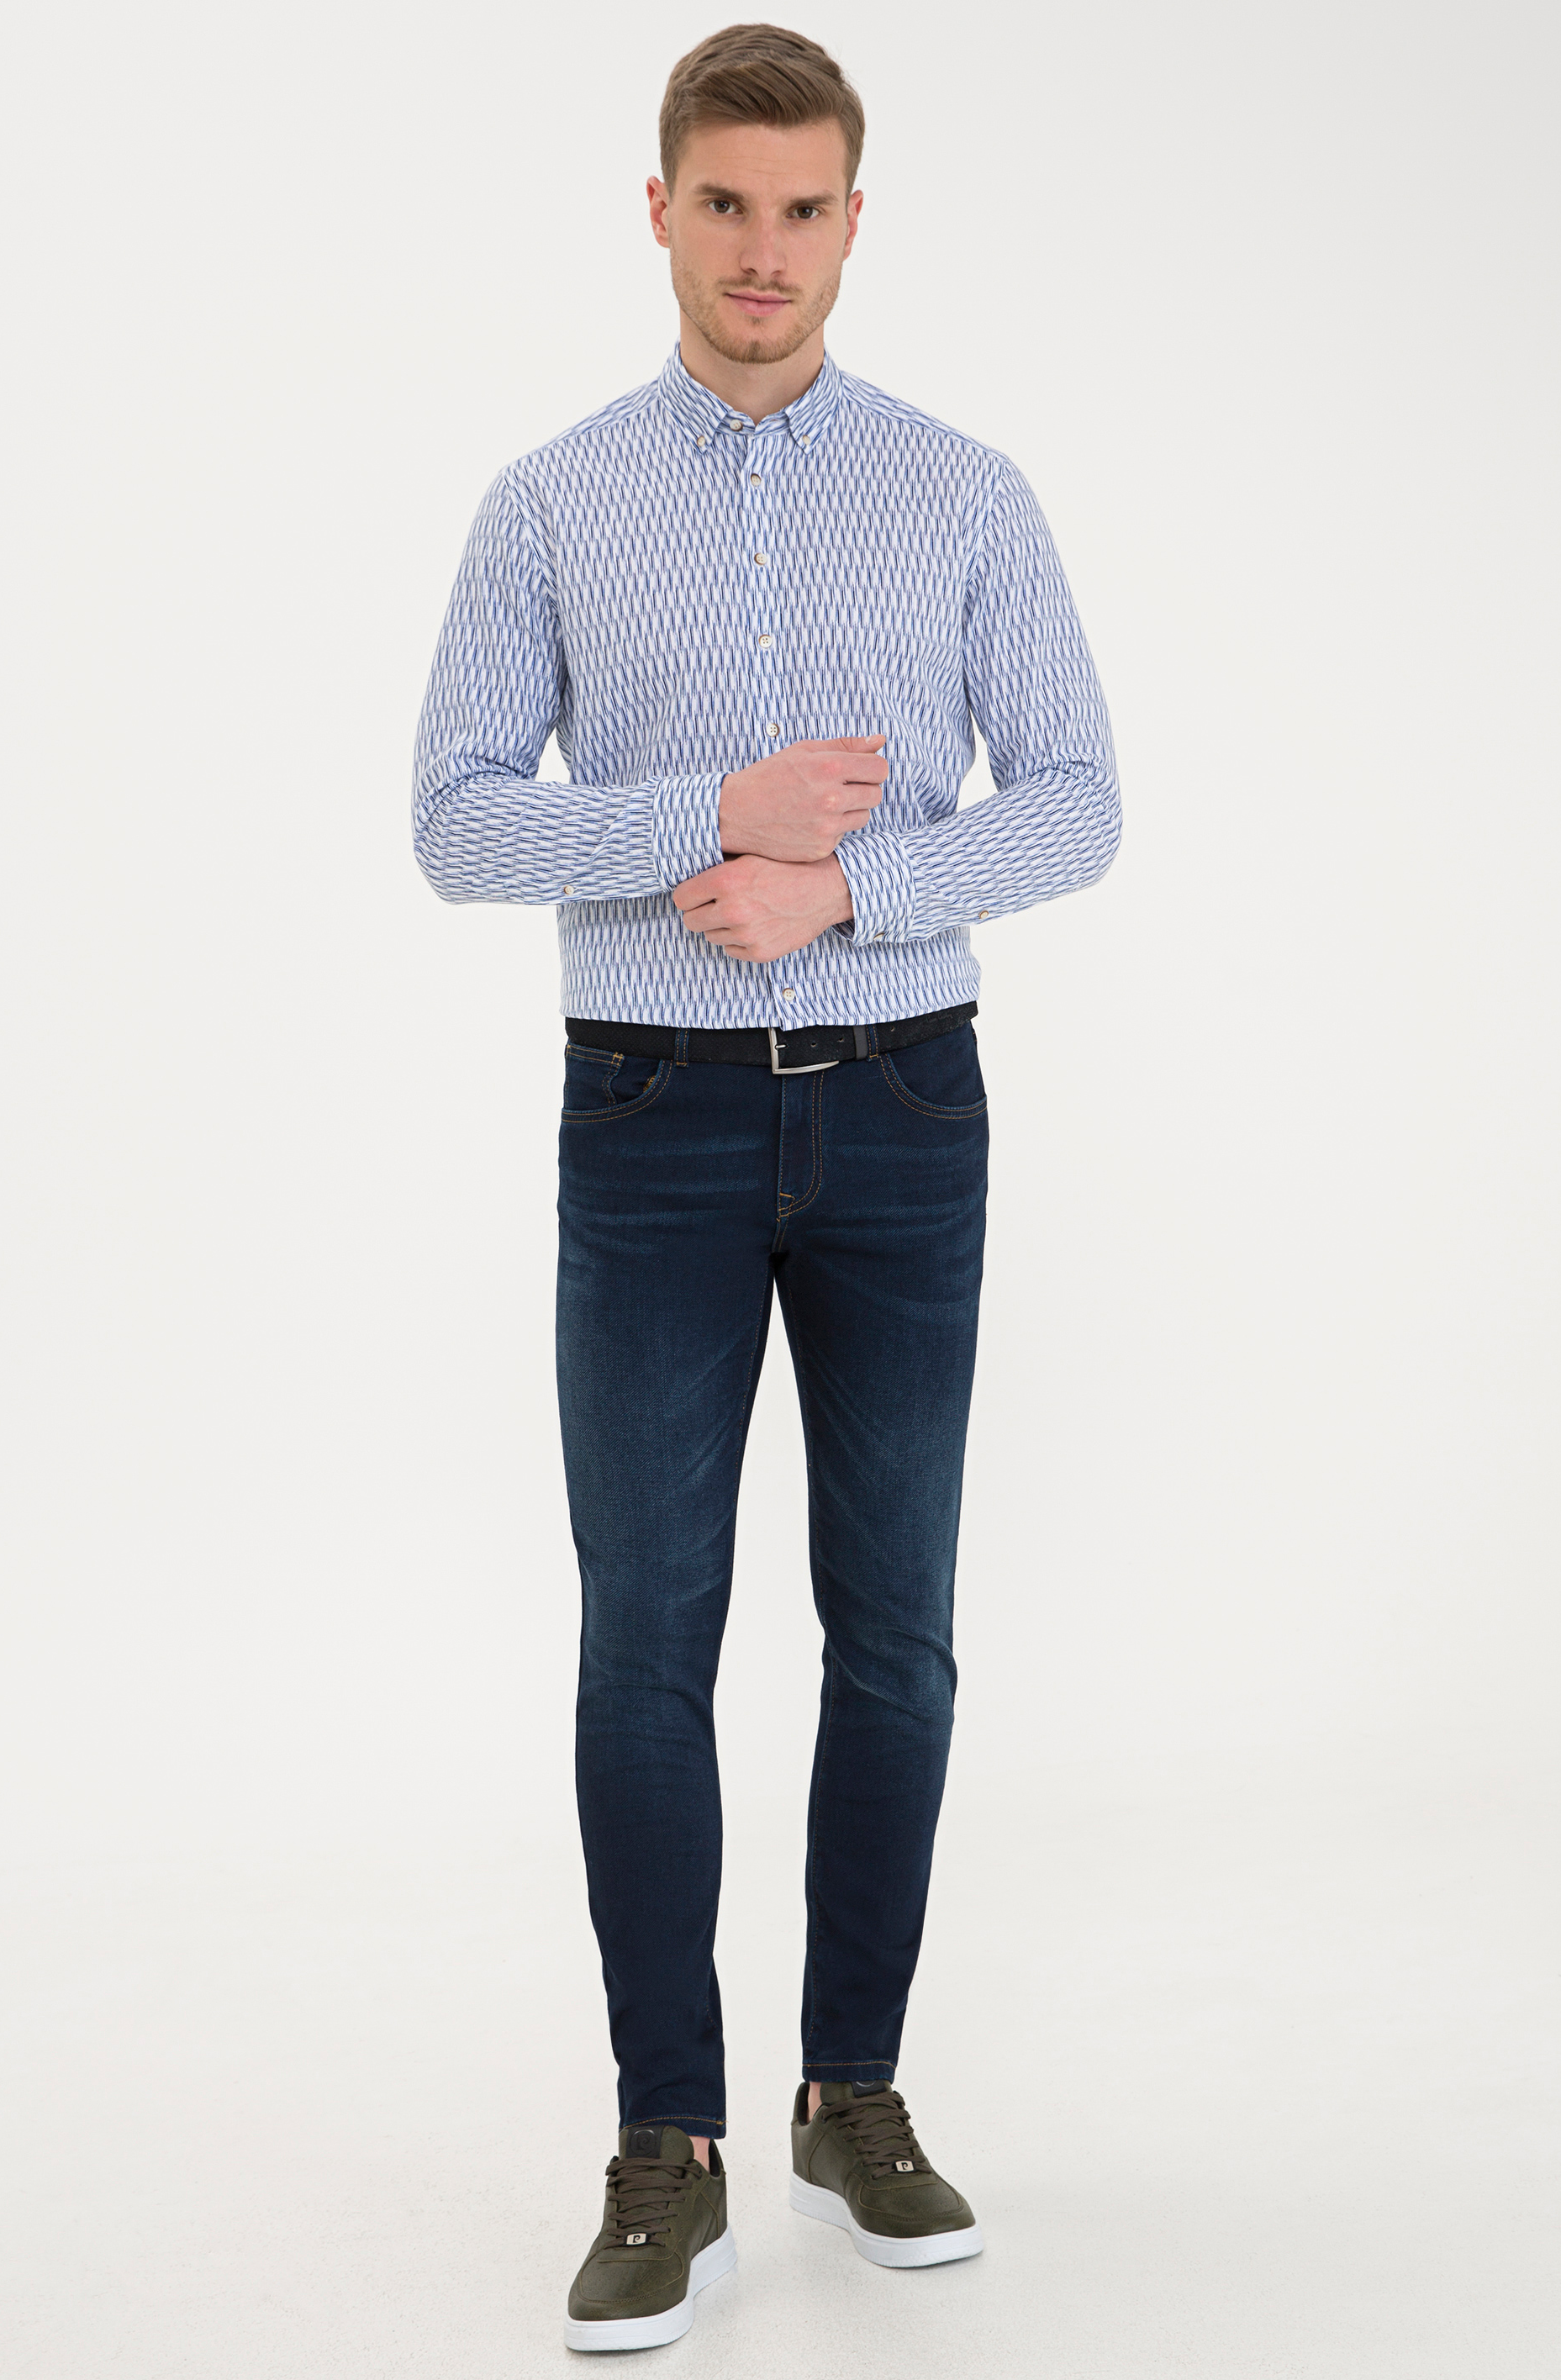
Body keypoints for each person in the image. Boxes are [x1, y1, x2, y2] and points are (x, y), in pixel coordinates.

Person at [412, 20, 1121, 2352]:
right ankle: (667, 2137)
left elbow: (1079, 799)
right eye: (723, 204)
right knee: (647, 1637)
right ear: (658, 211)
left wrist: (852, 889)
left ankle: (851, 2092)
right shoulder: (549, 500)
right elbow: (453, 818)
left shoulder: (962, 492)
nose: (762, 250)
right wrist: (708, 818)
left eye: (803, 208)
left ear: (852, 221)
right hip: (651, 1119)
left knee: (894, 1629)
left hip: (905, 1106)